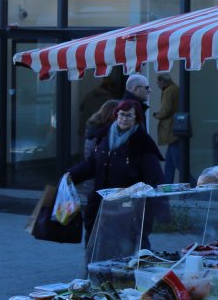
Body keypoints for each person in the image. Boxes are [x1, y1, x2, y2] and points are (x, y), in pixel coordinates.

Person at [67, 100, 164, 247]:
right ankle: (94, 270)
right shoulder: (104, 137)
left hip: (128, 209)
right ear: (116, 115)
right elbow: (93, 164)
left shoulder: (142, 142)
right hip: (101, 206)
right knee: (97, 249)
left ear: (136, 118)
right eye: (122, 115)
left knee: (128, 251)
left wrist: (159, 208)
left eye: (129, 116)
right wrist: (70, 175)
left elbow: (154, 178)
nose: (124, 119)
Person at [153, 73, 189, 184]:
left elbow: (166, 110)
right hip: (175, 129)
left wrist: (156, 115)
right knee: (169, 163)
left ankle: (193, 183)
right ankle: (166, 185)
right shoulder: (176, 88)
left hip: (171, 129)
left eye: (158, 82)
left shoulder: (168, 91)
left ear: (162, 81)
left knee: (177, 162)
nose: (157, 85)